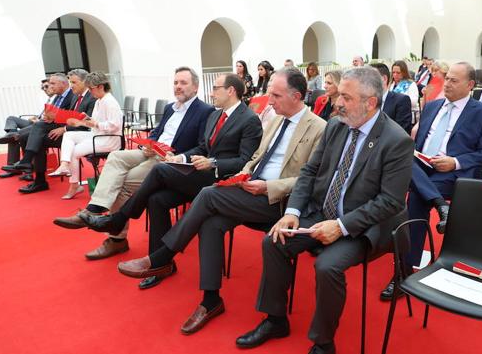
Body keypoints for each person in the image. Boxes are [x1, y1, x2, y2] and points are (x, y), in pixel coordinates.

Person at [81, 68, 326, 336]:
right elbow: (255, 156)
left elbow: (310, 180)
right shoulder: (276, 121)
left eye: (276, 95)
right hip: (248, 188)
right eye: (270, 94)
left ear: (297, 96)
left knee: (207, 194)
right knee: (210, 224)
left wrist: (268, 186)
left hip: (278, 200)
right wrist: (243, 176)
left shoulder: (319, 128)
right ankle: (211, 301)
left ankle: (161, 256)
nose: (270, 101)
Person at [236, 66, 413, 354]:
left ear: (370, 103)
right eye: (338, 94)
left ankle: (323, 343)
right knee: (274, 241)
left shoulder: (396, 140)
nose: (337, 102)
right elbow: (309, 172)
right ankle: (276, 319)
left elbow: (390, 202)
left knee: (327, 266)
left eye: (346, 96)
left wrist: (341, 227)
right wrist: (292, 212)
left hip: (362, 225)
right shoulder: (335, 125)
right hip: (321, 212)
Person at [58, 74, 262, 286]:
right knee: (156, 199)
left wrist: (213, 162)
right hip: (197, 172)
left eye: (216, 88)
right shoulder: (216, 116)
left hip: (219, 179)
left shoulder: (248, 119)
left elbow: (245, 161)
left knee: (160, 170)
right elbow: (202, 147)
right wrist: (182, 158)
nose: (212, 92)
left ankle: (118, 220)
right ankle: (160, 266)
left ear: (231, 91)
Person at [53, 67, 213, 260]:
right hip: (151, 152)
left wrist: (179, 157)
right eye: (175, 82)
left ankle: (117, 240)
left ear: (195, 87)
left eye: (183, 83)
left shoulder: (205, 111)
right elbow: (156, 132)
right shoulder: (170, 107)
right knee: (115, 157)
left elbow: (203, 147)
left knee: (123, 182)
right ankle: (93, 209)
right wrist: (148, 144)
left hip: (170, 160)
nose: (178, 87)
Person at [380, 62, 482, 301]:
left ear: (470, 85)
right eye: (447, 79)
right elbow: (418, 144)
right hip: (422, 166)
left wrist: (454, 162)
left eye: (454, 80)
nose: (447, 84)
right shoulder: (432, 106)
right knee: (404, 159)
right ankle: (440, 205)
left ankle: (403, 273)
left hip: (454, 172)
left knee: (416, 197)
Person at [47, 72, 123, 199]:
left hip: (109, 139)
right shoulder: (100, 100)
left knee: (74, 151)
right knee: (69, 135)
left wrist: (94, 123)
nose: (90, 92)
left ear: (100, 86)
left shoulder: (109, 102)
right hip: (98, 135)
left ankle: (74, 185)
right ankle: (64, 165)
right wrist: (84, 120)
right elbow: (96, 122)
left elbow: (114, 125)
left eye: (91, 88)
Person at [0, 74, 76, 177]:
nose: (48, 87)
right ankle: (27, 167)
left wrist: (55, 123)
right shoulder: (57, 97)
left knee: (31, 133)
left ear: (63, 83)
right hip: (42, 124)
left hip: (55, 128)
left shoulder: (71, 96)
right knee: (16, 121)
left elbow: (71, 117)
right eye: (44, 87)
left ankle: (25, 161)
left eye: (51, 84)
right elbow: (50, 114)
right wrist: (39, 118)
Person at [370, 63, 412, 133]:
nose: (366, 83)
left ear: (384, 79)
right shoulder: (365, 101)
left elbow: (401, 132)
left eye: (371, 78)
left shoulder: (401, 101)